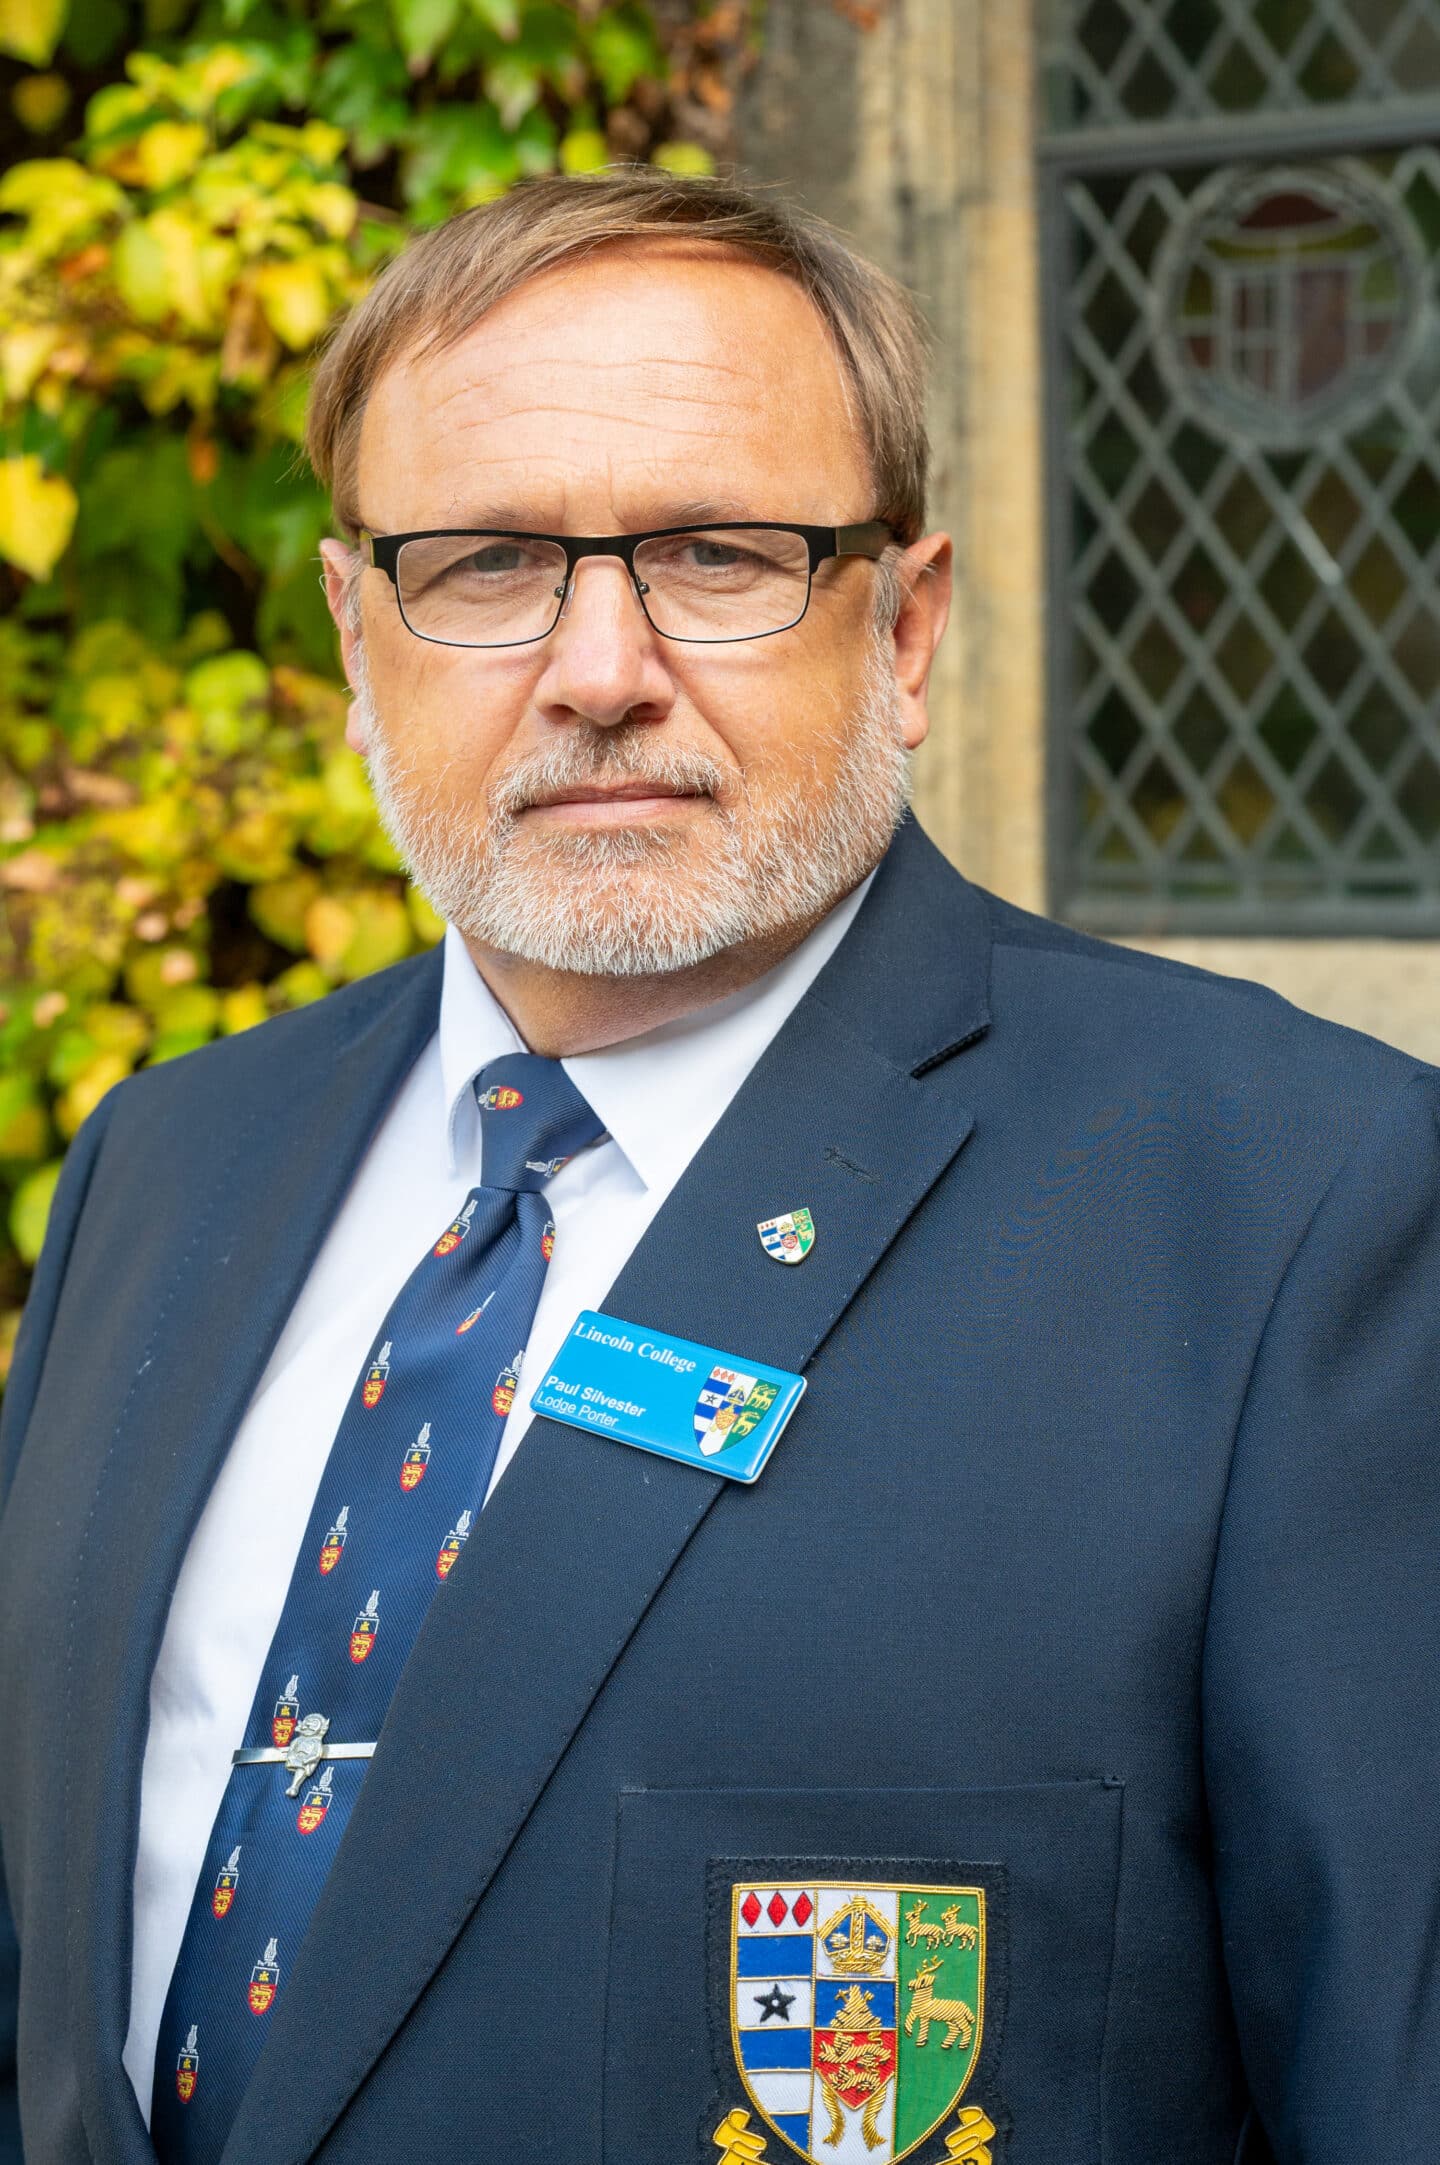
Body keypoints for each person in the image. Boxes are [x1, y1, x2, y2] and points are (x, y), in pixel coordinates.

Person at [1, 166, 1437, 2165]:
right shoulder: (165, 1167)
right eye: (490, 561)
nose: (600, 668)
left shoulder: (1304, 1222)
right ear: (357, 633)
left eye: (717, 552)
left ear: (909, 624)